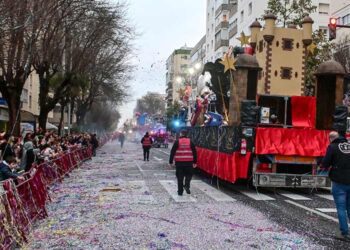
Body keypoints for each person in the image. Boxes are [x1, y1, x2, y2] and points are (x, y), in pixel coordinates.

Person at [321, 131, 350, 240]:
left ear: (330, 139)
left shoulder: (332, 147)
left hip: (339, 182)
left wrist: (323, 165)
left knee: (341, 208)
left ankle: (345, 233)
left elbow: (325, 163)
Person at [169, 130, 197, 196]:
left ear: (181, 134)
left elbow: (172, 152)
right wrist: (195, 162)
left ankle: (180, 192)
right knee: (189, 175)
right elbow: (194, 152)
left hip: (179, 163)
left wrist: (170, 161)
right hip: (189, 163)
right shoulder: (190, 142)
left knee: (180, 177)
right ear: (187, 135)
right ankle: (187, 185)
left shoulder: (177, 142)